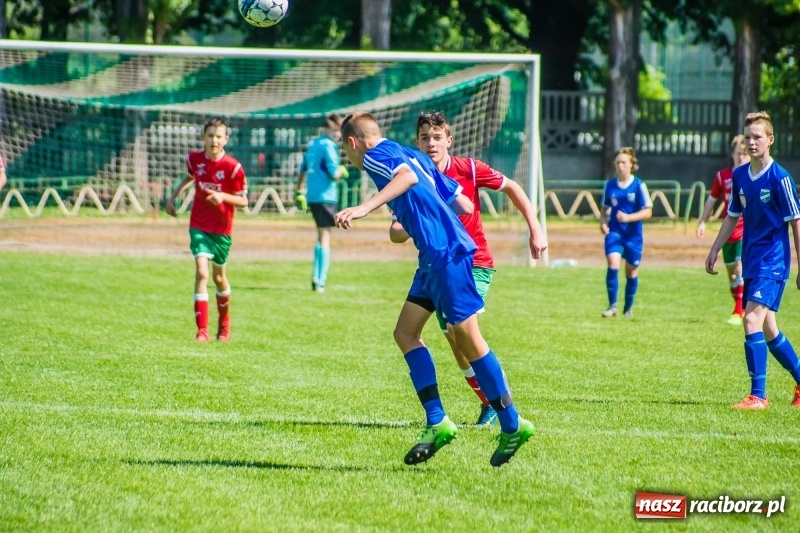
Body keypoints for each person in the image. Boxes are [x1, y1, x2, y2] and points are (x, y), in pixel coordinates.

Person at [336, 111, 535, 468]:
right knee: (405, 332)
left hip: (445, 254)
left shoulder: (378, 157)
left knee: (467, 338)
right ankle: (437, 420)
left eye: (345, 150)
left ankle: (511, 422)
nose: (349, 158)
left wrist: (364, 207)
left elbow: (408, 178)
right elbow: (462, 203)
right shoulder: (404, 151)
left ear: (353, 143)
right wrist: (421, 214)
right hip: (434, 254)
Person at [389, 111, 547, 427]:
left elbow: (513, 187)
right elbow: (395, 231)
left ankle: (501, 405)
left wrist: (536, 229)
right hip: (435, 265)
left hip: (473, 262)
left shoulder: (470, 169)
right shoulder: (409, 177)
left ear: (449, 140)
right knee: (449, 338)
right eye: (424, 138)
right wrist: (412, 221)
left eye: (437, 137)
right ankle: (490, 401)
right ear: (417, 142)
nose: (431, 143)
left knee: (457, 331)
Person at [705, 111, 800, 410]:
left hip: (773, 261)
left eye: (757, 136)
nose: (751, 142)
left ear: (770, 140)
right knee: (769, 328)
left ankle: (758, 396)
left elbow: (796, 222)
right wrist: (715, 248)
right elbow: (732, 215)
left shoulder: (780, 177)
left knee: (751, 320)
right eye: (748, 137)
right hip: (752, 259)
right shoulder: (740, 175)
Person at [166, 118, 248, 342]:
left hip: (222, 230)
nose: (214, 140)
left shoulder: (233, 168)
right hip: (199, 225)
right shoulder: (194, 159)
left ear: (226, 140)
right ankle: (201, 331)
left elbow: (244, 202)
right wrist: (172, 197)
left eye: (219, 136)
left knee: (219, 277)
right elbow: (190, 176)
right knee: (202, 273)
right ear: (203, 137)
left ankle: (224, 324)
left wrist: (222, 196)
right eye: (210, 135)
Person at [696, 135, 750, 325]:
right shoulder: (723, 176)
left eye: (744, 154)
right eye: (738, 154)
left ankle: (739, 310)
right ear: (732, 155)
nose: (742, 157)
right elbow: (712, 200)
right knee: (732, 273)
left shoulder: (752, 174)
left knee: (739, 267)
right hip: (729, 229)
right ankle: (738, 305)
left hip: (747, 228)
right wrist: (702, 221)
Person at [295, 113, 349, 293]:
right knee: (325, 237)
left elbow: (302, 169)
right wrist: (342, 170)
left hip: (312, 197)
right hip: (326, 197)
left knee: (320, 236)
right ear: (326, 129)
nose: (337, 135)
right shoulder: (328, 146)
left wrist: (299, 191)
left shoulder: (313, 144)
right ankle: (320, 280)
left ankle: (315, 275)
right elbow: (334, 173)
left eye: (339, 131)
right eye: (335, 130)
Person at [599, 147, 653, 318]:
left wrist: (629, 217)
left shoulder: (639, 185)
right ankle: (612, 306)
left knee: (631, 272)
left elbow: (648, 211)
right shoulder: (610, 186)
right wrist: (602, 222)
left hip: (633, 237)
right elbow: (604, 209)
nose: (620, 166)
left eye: (623, 162)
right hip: (615, 233)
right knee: (613, 265)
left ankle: (628, 308)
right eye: (617, 163)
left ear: (631, 165)